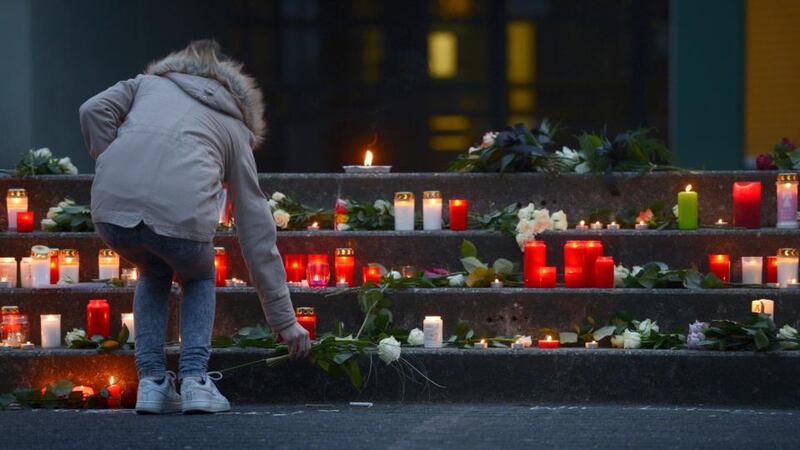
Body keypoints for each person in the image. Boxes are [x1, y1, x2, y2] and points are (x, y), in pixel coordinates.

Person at [79, 39, 310, 414]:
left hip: (112, 212)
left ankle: (152, 383)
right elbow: (255, 227)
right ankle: (194, 380)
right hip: (178, 222)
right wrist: (284, 320)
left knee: (153, 271)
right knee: (198, 277)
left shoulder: (147, 85)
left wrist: (111, 159)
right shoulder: (234, 128)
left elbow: (92, 110)